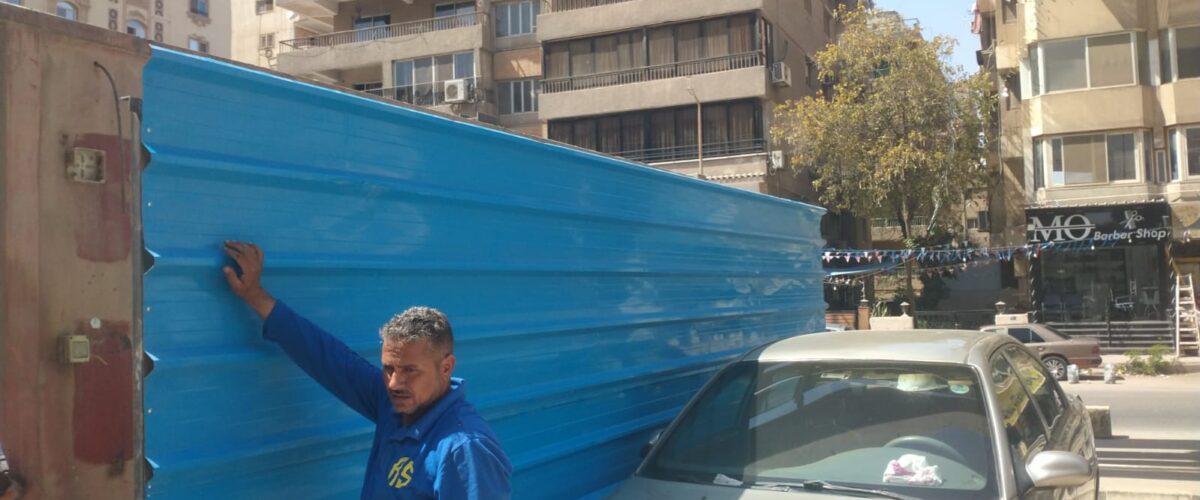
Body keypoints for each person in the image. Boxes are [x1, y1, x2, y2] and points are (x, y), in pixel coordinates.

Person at [222, 241, 511, 500]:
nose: (395, 382)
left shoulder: (464, 449)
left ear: (446, 367)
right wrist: (256, 296)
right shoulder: (394, 404)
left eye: (410, 370)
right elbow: (328, 358)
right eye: (388, 368)